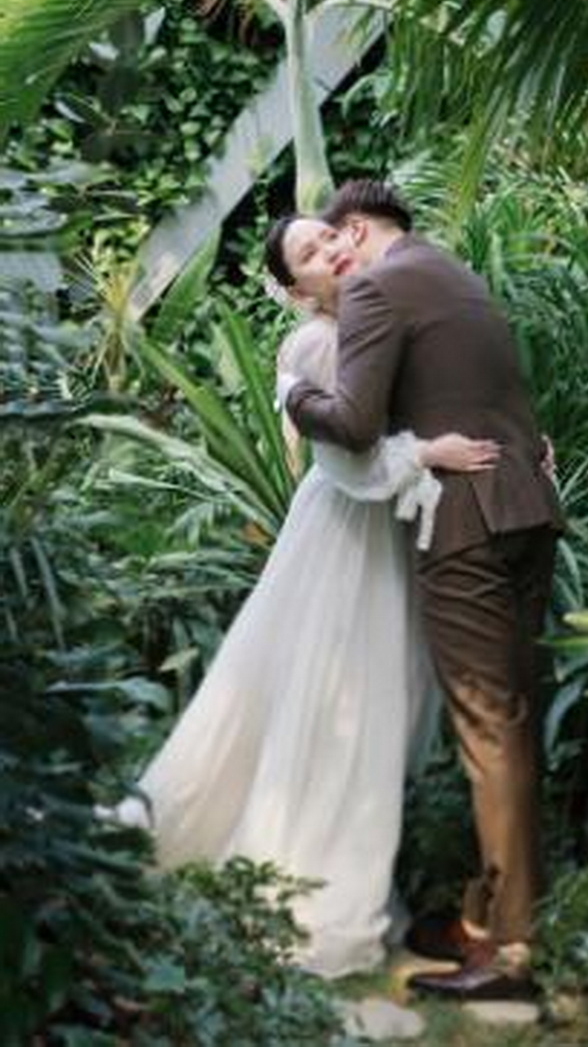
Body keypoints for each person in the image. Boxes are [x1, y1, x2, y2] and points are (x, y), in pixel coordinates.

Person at [104, 213, 501, 979]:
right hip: (345, 538)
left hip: (387, 535)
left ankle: (343, 864)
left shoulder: (383, 321)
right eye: (309, 253)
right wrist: (429, 451)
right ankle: (310, 882)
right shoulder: (317, 344)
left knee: (372, 706)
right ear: (296, 290)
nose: (329, 251)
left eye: (328, 237)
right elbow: (349, 462)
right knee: (339, 707)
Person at [280, 179, 564, 1003]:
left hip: (464, 522)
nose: (334, 253)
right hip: (528, 507)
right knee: (513, 722)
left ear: (355, 229)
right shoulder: (454, 274)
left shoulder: (377, 285)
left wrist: (293, 395)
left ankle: (510, 953)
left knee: (487, 730)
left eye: (334, 237)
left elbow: (353, 423)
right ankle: (495, 914)